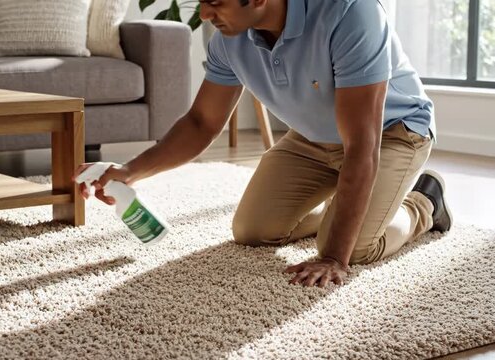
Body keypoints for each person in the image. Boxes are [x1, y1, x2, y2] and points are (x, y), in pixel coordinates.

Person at [73, 0, 452, 287]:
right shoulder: (229, 39)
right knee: (253, 231)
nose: (204, 14)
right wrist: (130, 171)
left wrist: (335, 256)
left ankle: (423, 201)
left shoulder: (350, 13)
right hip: (313, 138)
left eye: (215, 2)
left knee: (356, 248)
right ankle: (349, 211)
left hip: (391, 134)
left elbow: (362, 147)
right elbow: (202, 122)